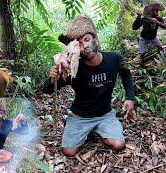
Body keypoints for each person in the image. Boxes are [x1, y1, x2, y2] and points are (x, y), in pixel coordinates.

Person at [43, 15, 136, 157]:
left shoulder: (114, 58)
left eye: (86, 39)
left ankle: (100, 129)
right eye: (79, 44)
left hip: (105, 114)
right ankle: (76, 127)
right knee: (69, 152)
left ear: (94, 39)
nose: (85, 46)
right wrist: (52, 78)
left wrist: (130, 97)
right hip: (80, 116)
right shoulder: (73, 68)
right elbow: (47, 90)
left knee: (119, 145)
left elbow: (126, 72)